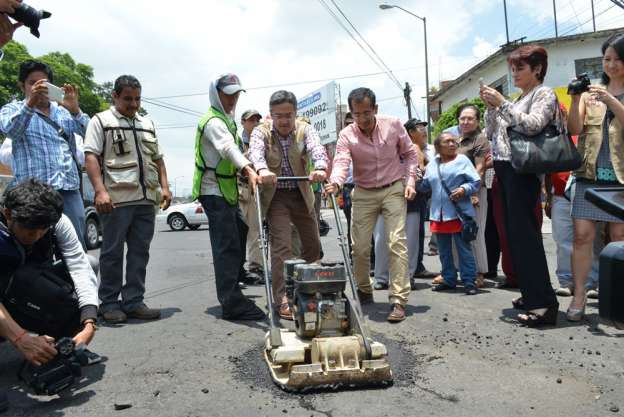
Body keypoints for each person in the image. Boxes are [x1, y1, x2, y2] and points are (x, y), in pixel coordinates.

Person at [326, 87, 420, 322]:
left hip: (393, 189)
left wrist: (410, 181)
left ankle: (398, 299)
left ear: (375, 109)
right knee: (359, 248)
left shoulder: (394, 124)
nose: (362, 119)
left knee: (396, 241)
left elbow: (410, 154)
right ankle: (364, 288)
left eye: (366, 113)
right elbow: (341, 161)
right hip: (364, 192)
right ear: (351, 113)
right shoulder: (346, 134)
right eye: (357, 114)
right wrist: (336, 182)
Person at [481, 44, 559, 327]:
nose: (514, 73)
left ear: (537, 69)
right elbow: (491, 133)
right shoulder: (519, 97)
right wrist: (492, 108)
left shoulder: (544, 94)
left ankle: (545, 304)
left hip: (523, 172)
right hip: (504, 170)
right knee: (515, 238)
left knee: (526, 237)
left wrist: (502, 103)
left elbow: (533, 125)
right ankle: (531, 293)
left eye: (520, 68)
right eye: (512, 68)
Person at [84, 75, 172, 324]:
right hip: (116, 199)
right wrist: (100, 191)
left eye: (137, 99)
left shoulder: (147, 123)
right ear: (115, 96)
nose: (133, 104)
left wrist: (165, 187)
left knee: (139, 252)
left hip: (146, 200)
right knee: (111, 252)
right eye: (127, 99)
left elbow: (158, 159)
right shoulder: (101, 121)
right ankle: (109, 303)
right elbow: (91, 157)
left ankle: (134, 301)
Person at [0, 180, 99, 393]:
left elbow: (79, 267)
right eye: (29, 231)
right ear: (8, 214)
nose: (36, 237)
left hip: (25, 288)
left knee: (90, 264)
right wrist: (20, 339)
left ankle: (59, 345)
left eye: (42, 230)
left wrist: (89, 322)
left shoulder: (57, 222)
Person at [248, 90, 328, 320]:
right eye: (278, 115)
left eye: (288, 115)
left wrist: (320, 167)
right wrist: (262, 170)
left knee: (312, 243)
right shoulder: (261, 132)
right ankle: (281, 298)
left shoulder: (305, 129)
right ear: (271, 115)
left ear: (295, 114)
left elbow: (316, 148)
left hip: (301, 193)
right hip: (276, 197)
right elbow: (256, 153)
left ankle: (312, 291)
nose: (284, 120)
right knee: (281, 246)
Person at [191, 73, 265, 321]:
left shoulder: (227, 119)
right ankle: (231, 302)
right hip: (212, 190)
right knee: (226, 245)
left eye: (236, 94)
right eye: (228, 94)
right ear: (216, 94)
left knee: (240, 230)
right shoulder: (214, 122)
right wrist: (247, 169)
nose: (232, 99)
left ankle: (234, 281)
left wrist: (255, 167)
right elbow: (227, 148)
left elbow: (238, 151)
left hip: (226, 188)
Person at [0, 60, 90, 249]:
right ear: (22, 85)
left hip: (69, 190)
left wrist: (75, 111)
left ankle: (71, 279)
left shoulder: (63, 111)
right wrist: (31, 103)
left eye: (44, 83)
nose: (39, 87)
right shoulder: (12, 109)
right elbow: (12, 130)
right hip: (33, 194)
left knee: (75, 246)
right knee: (36, 247)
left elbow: (91, 135)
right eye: (33, 83)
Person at [567, 33, 624, 321]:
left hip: (620, 177)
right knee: (582, 236)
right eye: (607, 59)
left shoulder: (609, 95)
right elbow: (574, 127)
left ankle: (618, 296)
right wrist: (576, 95)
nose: (611, 65)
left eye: (617, 59)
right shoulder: (591, 93)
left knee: (619, 238)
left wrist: (612, 101)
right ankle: (579, 295)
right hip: (589, 174)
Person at [431, 105, 491, 288]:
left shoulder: (480, 139)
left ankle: (478, 273)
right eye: (462, 119)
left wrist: (472, 193)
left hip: (473, 191)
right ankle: (454, 273)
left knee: (473, 235)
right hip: (451, 197)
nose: (465, 122)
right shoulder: (456, 139)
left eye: (470, 118)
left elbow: (480, 168)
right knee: (455, 238)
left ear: (477, 121)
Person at [418, 132, 481, 294]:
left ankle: (469, 282)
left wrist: (463, 189)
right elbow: (426, 186)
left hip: (458, 214)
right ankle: (449, 279)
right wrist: (415, 178)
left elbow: (475, 181)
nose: (453, 144)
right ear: (438, 147)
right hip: (438, 215)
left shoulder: (462, 160)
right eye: (448, 142)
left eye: (454, 141)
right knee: (444, 251)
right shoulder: (432, 164)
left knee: (463, 250)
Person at [404, 118, 438, 280]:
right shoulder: (412, 148)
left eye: (424, 128)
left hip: (425, 194)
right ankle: (414, 267)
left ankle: (417, 265)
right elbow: (422, 170)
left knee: (419, 230)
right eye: (419, 128)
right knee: (414, 232)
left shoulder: (432, 148)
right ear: (410, 133)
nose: (424, 131)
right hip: (414, 193)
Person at [238, 109, 264, 282]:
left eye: (257, 120)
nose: (254, 124)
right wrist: (249, 155)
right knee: (238, 233)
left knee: (255, 232)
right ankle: (238, 269)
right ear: (243, 122)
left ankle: (256, 268)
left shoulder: (262, 140)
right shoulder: (236, 140)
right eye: (251, 120)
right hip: (238, 189)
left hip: (254, 191)